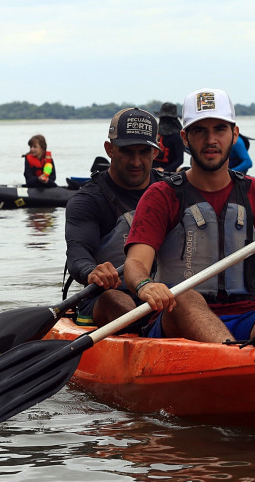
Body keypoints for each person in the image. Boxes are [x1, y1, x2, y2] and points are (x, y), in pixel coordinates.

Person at [123, 88, 255, 344]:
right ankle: (237, 359)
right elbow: (135, 263)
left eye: (220, 129)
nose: (210, 139)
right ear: (185, 138)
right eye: (200, 131)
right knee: (185, 297)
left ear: (234, 134)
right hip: (177, 317)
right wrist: (144, 285)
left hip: (246, 316)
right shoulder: (161, 195)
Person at [64, 107, 164, 327]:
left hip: (162, 295)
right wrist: (92, 272)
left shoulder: (172, 191)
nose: (136, 162)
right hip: (108, 298)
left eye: (144, 152)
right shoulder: (87, 200)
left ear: (155, 153)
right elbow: (77, 252)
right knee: (115, 299)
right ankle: (148, 328)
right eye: (127, 151)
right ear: (109, 149)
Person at [152, 102, 185, 172]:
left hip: (167, 173)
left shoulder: (177, 137)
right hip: (151, 170)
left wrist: (165, 170)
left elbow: (179, 159)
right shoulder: (155, 134)